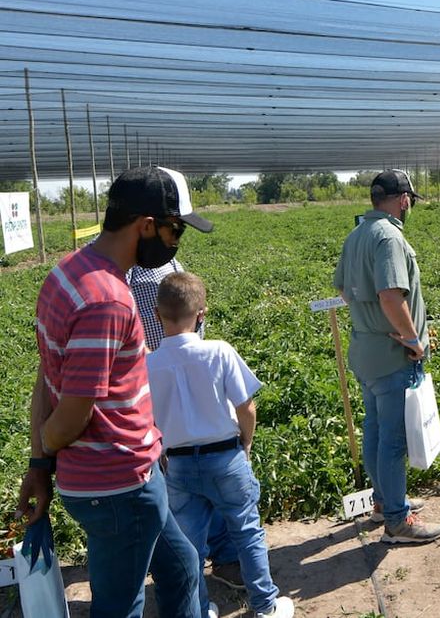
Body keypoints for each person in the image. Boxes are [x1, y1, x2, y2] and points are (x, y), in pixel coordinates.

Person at [16, 166, 212, 618]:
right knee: (118, 606)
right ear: (146, 226)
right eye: (173, 229)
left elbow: (46, 379)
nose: (176, 241)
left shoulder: (67, 273)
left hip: (127, 476)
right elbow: (72, 414)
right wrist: (49, 447)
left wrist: (39, 465)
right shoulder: (107, 298)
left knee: (181, 567)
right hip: (119, 484)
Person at [146, 272, 294, 618]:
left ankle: (198, 610)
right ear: (202, 313)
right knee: (247, 531)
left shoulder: (148, 364)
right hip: (225, 455)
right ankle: (265, 605)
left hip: (178, 464)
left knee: (190, 545)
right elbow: (247, 406)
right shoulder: (219, 351)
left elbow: (148, 419)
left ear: (155, 314)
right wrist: (246, 441)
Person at [333, 169, 440, 544]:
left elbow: (344, 293)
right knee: (393, 440)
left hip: (365, 350)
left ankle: (383, 501)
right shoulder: (389, 236)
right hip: (391, 353)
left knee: (376, 430)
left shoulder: (356, 234)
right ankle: (397, 521)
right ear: (403, 200)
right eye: (410, 201)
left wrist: (371, 323)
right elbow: (390, 295)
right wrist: (412, 339)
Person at [128, 258, 242, 588]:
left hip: (183, 366)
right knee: (190, 490)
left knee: (200, 477)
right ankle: (194, 571)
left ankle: (218, 562)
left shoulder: (163, 256)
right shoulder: (124, 267)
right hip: (160, 374)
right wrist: (151, 359)